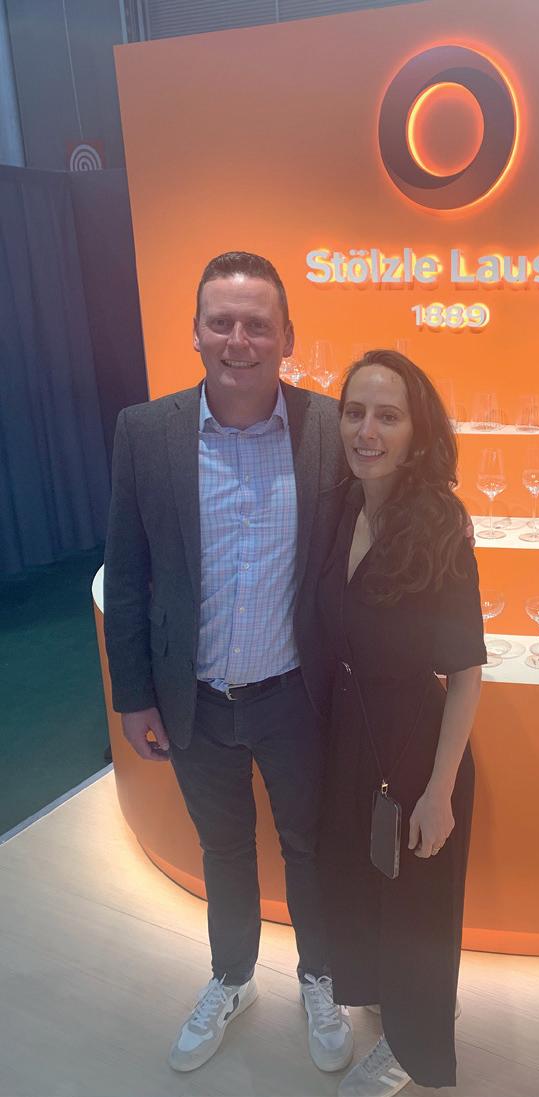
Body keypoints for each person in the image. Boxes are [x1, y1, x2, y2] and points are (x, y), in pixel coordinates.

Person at [102, 251, 354, 1074]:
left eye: (257, 324)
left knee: (309, 844)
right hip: (195, 699)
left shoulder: (329, 430)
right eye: (222, 322)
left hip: (296, 697)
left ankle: (319, 979)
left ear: (288, 337)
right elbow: (128, 573)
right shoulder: (146, 432)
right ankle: (233, 977)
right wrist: (134, 694)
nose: (238, 340)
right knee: (224, 848)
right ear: (196, 332)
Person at [317, 350, 486, 1096]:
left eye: (387, 416)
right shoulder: (338, 508)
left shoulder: (442, 527)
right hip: (350, 742)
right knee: (366, 892)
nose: (367, 431)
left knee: (418, 911)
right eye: (355, 412)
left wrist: (440, 790)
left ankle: (412, 1049)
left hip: (418, 753)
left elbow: (466, 670)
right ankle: (394, 1008)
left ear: (418, 432)